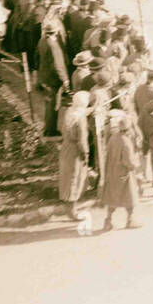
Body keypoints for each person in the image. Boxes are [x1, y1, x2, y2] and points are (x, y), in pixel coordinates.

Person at [102, 109, 141, 230]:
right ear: (129, 129)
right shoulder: (126, 142)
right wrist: (137, 164)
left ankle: (108, 221)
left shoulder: (113, 138)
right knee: (130, 197)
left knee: (112, 198)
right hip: (123, 174)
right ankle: (130, 220)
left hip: (111, 172)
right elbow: (129, 162)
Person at [58, 90, 93, 221]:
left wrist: (93, 108)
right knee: (74, 178)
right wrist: (86, 154)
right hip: (76, 151)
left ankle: (69, 207)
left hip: (66, 147)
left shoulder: (69, 112)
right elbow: (82, 140)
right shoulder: (81, 120)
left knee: (66, 178)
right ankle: (72, 211)